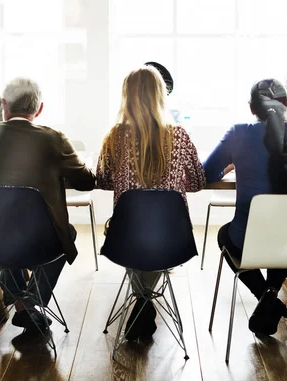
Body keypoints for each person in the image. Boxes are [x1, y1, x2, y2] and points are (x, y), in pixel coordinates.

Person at [0, 77, 96, 330]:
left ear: (4, 104)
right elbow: (87, 182)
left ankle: (22, 302)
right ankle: (30, 301)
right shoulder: (53, 138)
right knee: (68, 234)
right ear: (39, 109)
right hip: (41, 243)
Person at [96, 65, 205, 340]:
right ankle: (145, 303)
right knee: (154, 235)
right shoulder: (179, 135)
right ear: (161, 95)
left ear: (126, 97)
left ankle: (142, 303)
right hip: (172, 235)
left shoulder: (114, 137)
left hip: (125, 234)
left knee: (134, 232)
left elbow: (103, 181)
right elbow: (197, 183)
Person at [203, 78, 287, 336]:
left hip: (251, 238)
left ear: (252, 109)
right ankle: (271, 293)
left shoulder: (239, 133)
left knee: (225, 234)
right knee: (283, 228)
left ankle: (265, 295)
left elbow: (207, 172)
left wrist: (232, 164)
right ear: (286, 105)